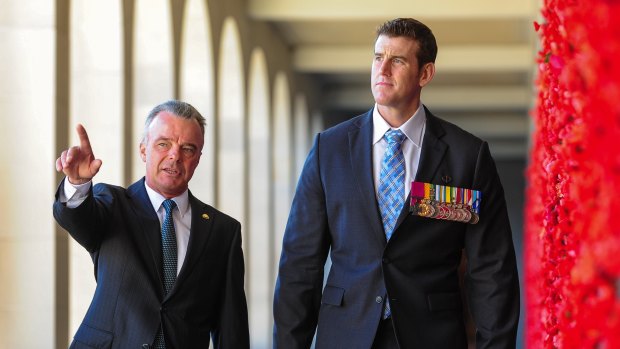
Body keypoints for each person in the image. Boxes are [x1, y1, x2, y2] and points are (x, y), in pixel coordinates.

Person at [273, 18, 520, 348]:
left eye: (398, 60)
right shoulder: (328, 150)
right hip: (346, 335)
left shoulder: (467, 158)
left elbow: (493, 270)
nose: (382, 69)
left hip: (431, 337)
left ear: (425, 74)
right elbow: (300, 265)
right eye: (378, 57)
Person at [53, 100, 249, 349]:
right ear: (144, 150)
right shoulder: (113, 205)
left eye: (188, 149)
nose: (174, 155)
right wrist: (77, 183)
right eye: (163, 144)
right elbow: (78, 218)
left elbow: (231, 327)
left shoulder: (223, 231)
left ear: (198, 159)